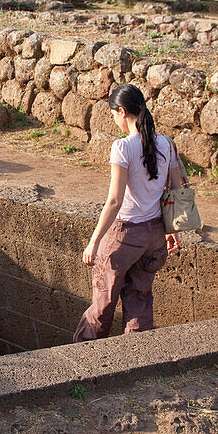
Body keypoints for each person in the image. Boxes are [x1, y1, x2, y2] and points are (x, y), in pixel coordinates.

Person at [73, 83, 184, 342]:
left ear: (122, 111)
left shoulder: (122, 148)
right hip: (155, 234)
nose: (114, 120)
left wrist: (94, 240)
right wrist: (172, 231)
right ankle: (136, 354)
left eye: (113, 114)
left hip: (125, 235)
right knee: (140, 299)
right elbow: (177, 191)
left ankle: (82, 357)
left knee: (103, 304)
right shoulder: (167, 144)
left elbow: (114, 201)